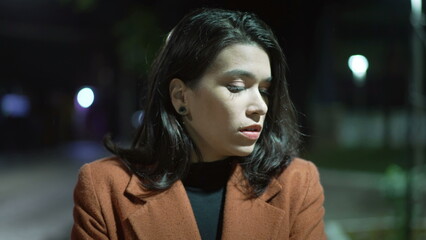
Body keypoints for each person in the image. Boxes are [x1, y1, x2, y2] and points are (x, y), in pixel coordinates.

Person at [71, 8, 326, 240]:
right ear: (181, 96)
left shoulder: (296, 183)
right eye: (236, 87)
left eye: (265, 90)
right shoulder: (104, 187)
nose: (260, 106)